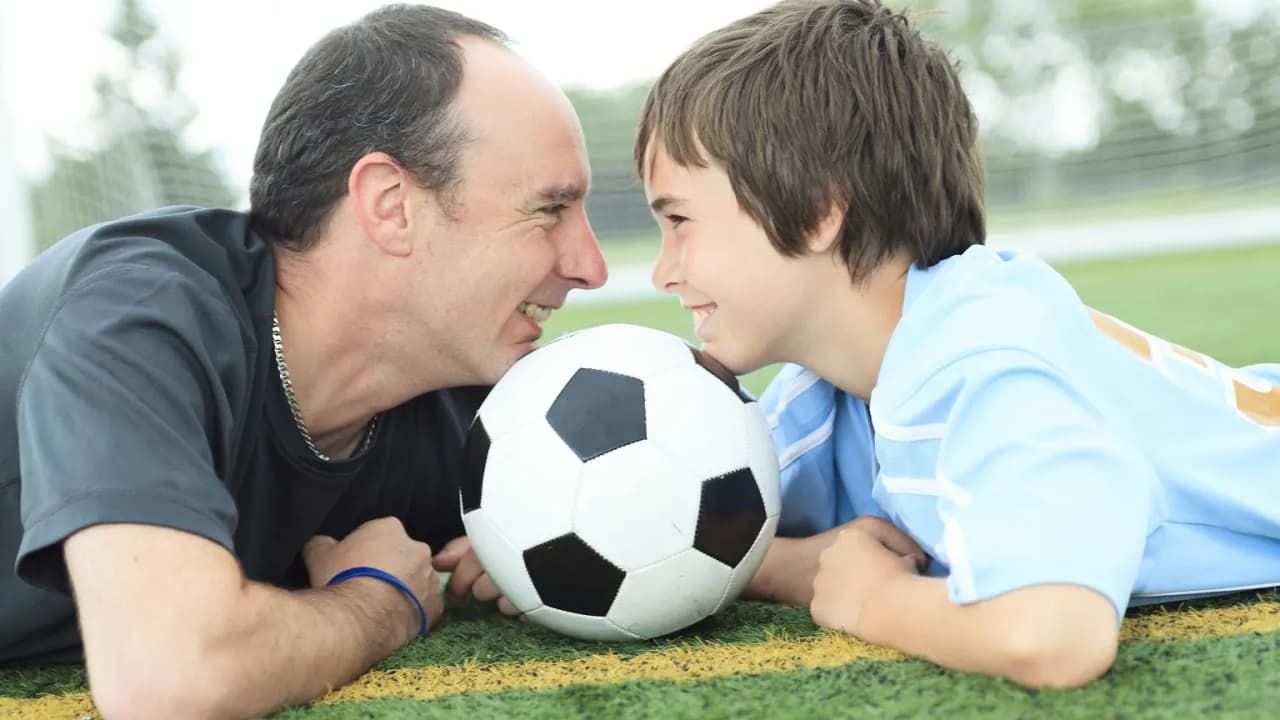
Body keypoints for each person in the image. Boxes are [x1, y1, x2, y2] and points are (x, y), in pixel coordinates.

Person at [634, 0, 1280, 689]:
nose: (662, 269)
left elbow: (1053, 636)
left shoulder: (980, 367)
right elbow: (684, 521)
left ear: (820, 210)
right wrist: (787, 566)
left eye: (678, 220)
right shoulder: (828, 390)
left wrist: (876, 601)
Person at [0, 4, 606, 717]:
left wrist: (558, 535)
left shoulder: (466, 412)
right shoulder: (141, 311)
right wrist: (382, 602)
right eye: (549, 209)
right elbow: (170, 677)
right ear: (390, 205)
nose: (589, 265)